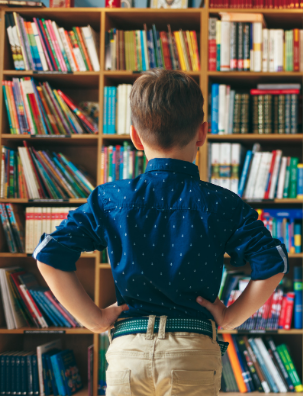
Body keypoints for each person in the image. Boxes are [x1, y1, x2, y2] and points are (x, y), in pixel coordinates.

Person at [34, 69, 288, 395]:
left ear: (135, 138)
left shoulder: (110, 199)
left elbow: (49, 255)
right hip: (193, 351)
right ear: (202, 134)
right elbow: (273, 261)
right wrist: (232, 318)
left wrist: (95, 319)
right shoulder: (222, 203)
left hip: (129, 352)